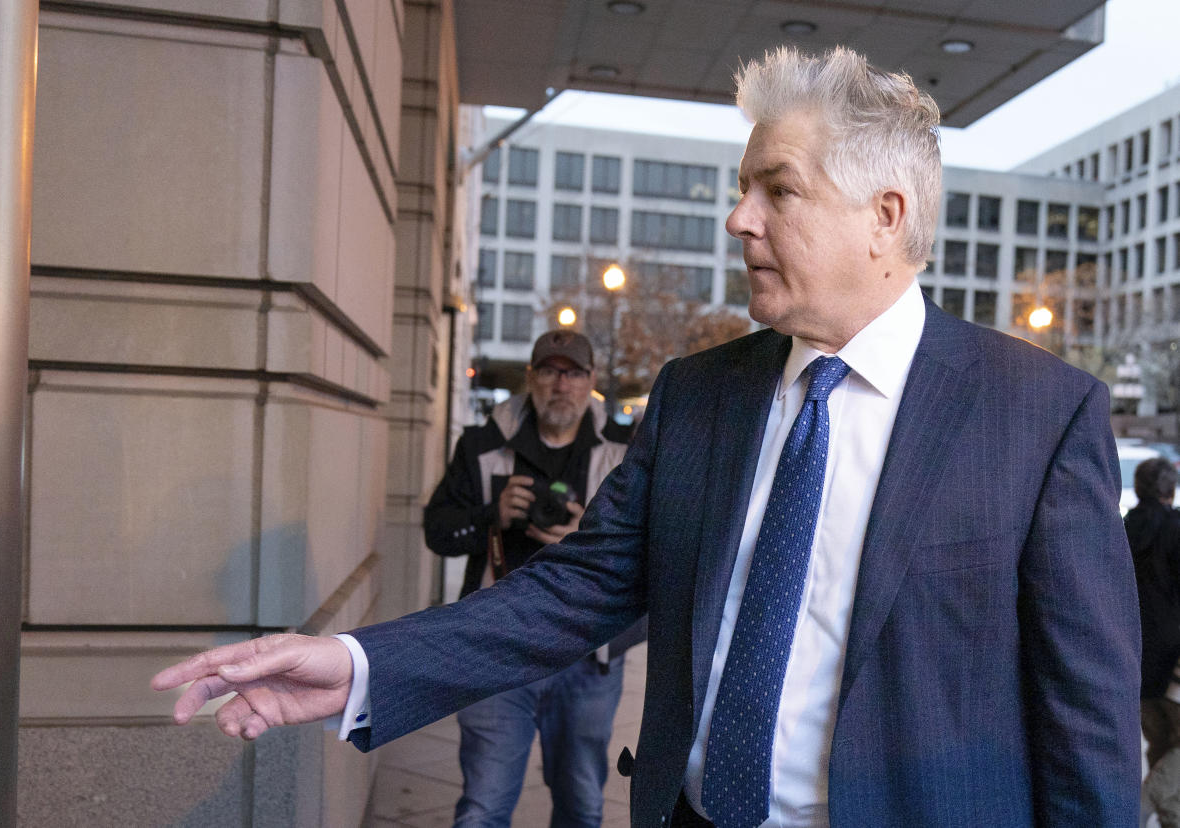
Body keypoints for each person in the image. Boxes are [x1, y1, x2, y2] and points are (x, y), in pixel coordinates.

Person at [154, 45, 1141, 827]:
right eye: (742, 187)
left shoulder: (1038, 416)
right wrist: (365, 667)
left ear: (884, 217)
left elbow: (1086, 720)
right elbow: (577, 588)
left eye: (777, 191)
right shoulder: (699, 396)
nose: (736, 219)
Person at [423, 328, 633, 827]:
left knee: (582, 806)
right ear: (530, 377)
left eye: (574, 372)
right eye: (549, 370)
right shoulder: (481, 444)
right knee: (483, 806)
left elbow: (656, 546)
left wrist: (586, 535)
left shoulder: (626, 451)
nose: (561, 384)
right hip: (495, 647)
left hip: (587, 651)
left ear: (592, 381)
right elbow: (438, 531)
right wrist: (491, 513)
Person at [1126, 457, 1180, 826]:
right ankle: (1139, 804)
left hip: (1136, 663)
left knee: (1162, 748)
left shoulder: (1122, 529)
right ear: (1171, 490)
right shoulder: (1177, 528)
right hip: (1174, 667)